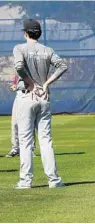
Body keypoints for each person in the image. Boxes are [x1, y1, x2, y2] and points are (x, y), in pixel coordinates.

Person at [13, 18, 68, 189]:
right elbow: (62, 66)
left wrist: (30, 83)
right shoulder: (47, 50)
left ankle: (25, 181)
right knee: (46, 140)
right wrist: (45, 84)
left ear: (25, 33)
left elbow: (19, 66)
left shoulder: (19, 48)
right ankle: (54, 180)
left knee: (26, 141)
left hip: (27, 96)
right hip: (44, 97)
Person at [6, 75, 36, 158]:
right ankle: (15, 148)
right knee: (15, 123)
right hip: (18, 95)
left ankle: (31, 149)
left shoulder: (30, 66)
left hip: (29, 94)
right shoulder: (18, 69)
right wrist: (15, 86)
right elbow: (17, 82)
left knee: (29, 123)